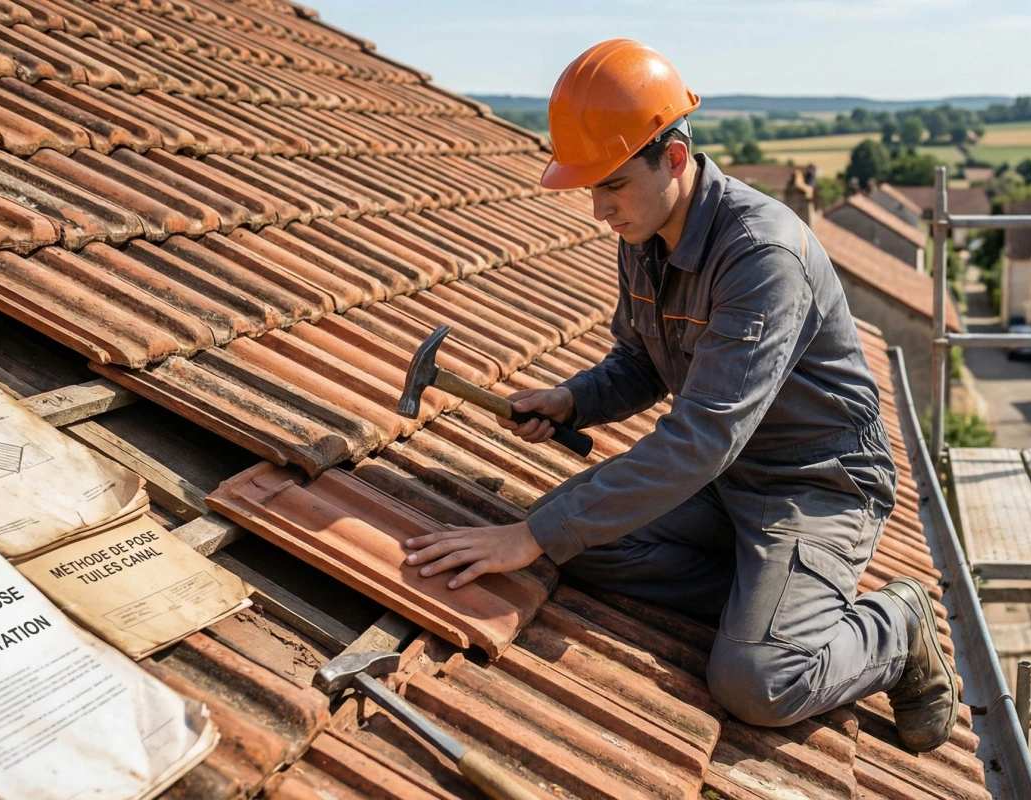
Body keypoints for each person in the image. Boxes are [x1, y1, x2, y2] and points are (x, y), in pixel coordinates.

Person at [401, 39, 956, 752]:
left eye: (612, 185)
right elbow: (640, 363)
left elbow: (702, 437)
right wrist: (572, 400)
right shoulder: (646, 232)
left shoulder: (762, 255)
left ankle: (895, 627)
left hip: (814, 488)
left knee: (755, 681)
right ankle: (764, 592)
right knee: (570, 539)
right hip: (726, 483)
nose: (600, 210)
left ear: (673, 158)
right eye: (590, 189)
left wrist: (528, 536)